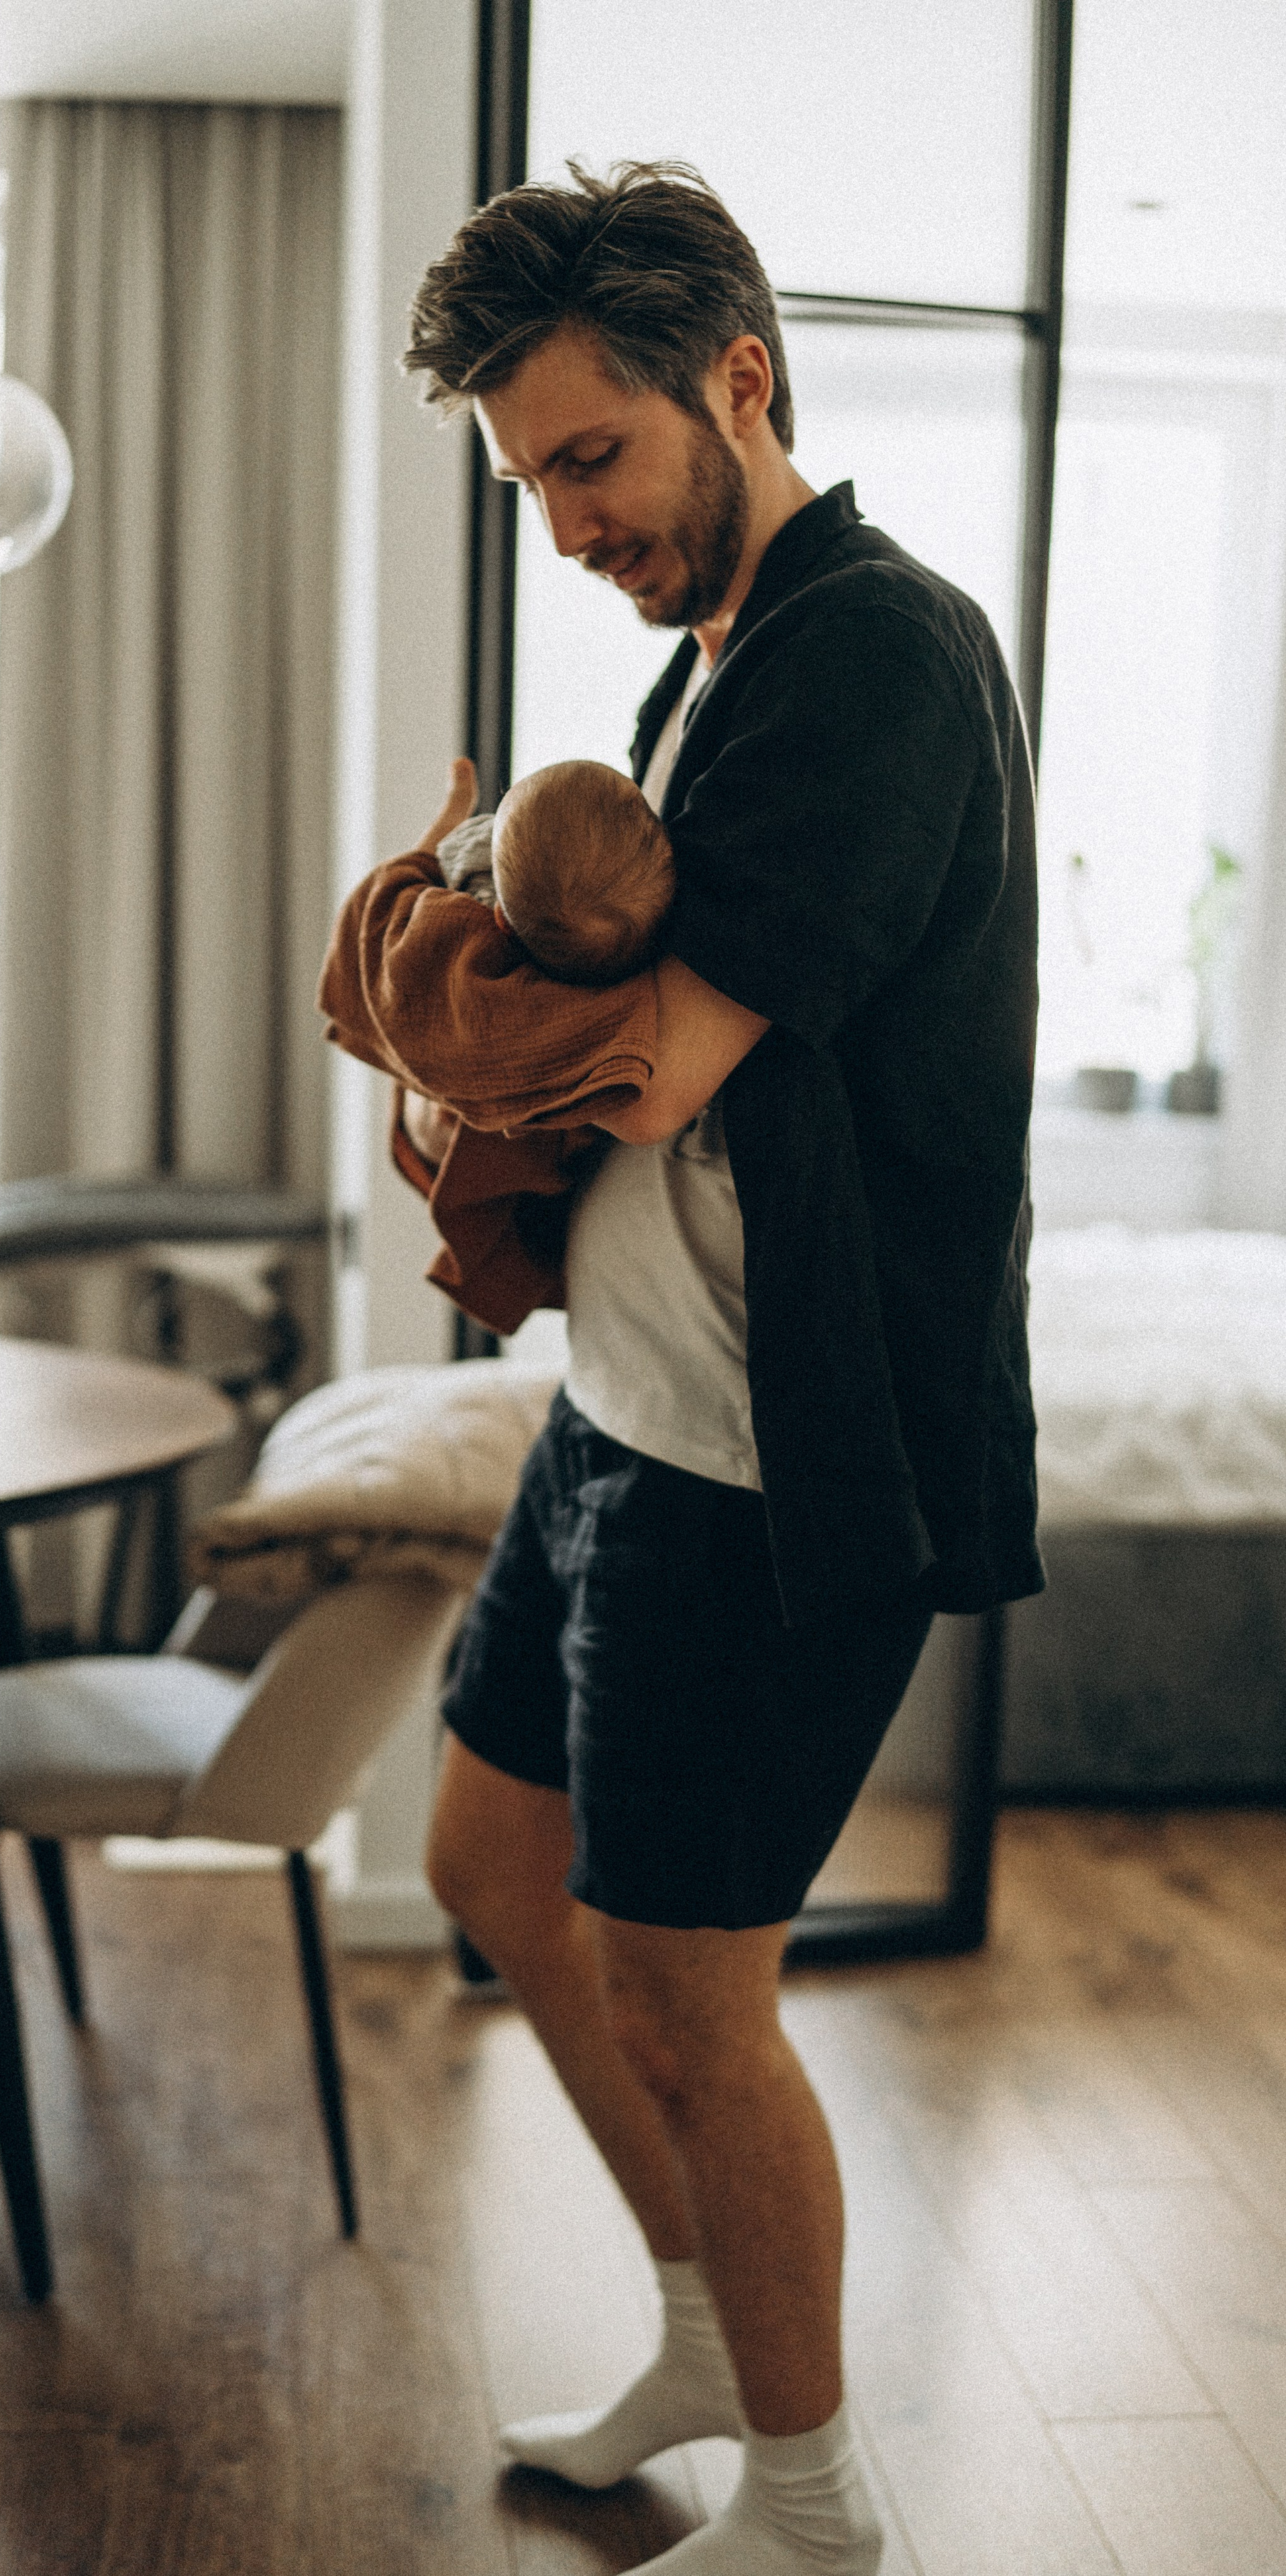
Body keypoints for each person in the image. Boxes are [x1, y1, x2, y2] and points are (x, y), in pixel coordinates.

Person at [324, 160, 1043, 2576]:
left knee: (691, 2001)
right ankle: (702, 2326)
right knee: (488, 1862)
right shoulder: (712, 653)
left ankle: (817, 2506)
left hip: (765, 1460)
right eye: (530, 477)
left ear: (733, 378)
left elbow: (634, 1075)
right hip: (623, 1411)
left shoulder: (866, 654)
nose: (563, 525)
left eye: (585, 462)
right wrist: (466, 976)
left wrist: (430, 964)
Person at [441, 757, 676, 985]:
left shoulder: (473, 946)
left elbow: (407, 896)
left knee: (463, 849)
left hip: (454, 868)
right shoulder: (647, 991)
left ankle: (454, 819)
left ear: (502, 920)